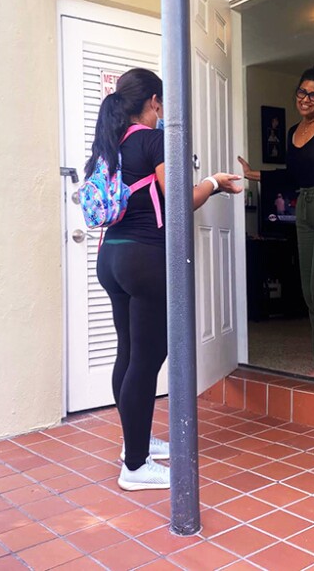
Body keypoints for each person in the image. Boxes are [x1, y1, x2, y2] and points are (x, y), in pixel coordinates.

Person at [86, 68, 242, 492]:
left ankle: (131, 444)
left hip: (111, 257)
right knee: (147, 359)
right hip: (144, 259)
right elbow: (179, 201)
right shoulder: (152, 140)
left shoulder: (109, 144)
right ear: (154, 101)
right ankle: (135, 467)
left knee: (128, 353)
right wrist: (212, 183)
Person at [238, 57, 314, 379]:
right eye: (302, 92)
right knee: (308, 289)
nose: (305, 99)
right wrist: (252, 175)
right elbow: (291, 174)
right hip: (303, 205)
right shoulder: (294, 130)